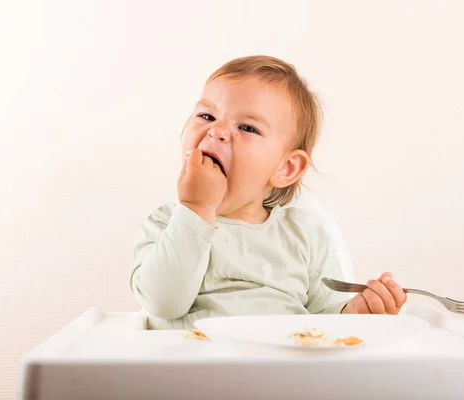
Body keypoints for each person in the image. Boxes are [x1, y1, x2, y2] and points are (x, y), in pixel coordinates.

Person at [129, 55, 407, 330]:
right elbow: (163, 303)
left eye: (247, 127)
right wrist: (196, 210)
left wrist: (359, 314)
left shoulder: (304, 235)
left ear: (285, 167)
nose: (217, 131)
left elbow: (327, 324)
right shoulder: (165, 224)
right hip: (189, 370)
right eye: (206, 115)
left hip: (279, 373)